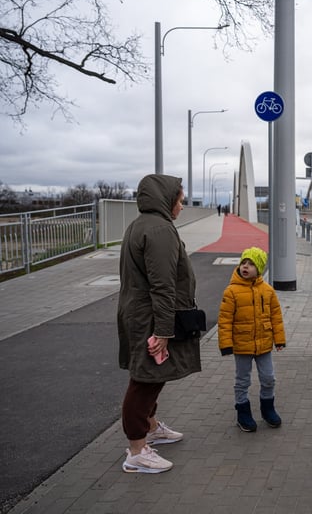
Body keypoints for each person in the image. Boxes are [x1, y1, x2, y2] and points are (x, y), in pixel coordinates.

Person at [117, 174, 201, 474]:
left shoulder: (141, 224)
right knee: (144, 380)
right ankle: (137, 451)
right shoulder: (160, 230)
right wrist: (164, 331)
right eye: (179, 200)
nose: (182, 206)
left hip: (140, 313)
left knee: (153, 375)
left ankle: (150, 427)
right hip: (150, 317)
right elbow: (163, 285)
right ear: (166, 200)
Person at [218, 247, 286, 432]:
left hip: (264, 343)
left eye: (251, 264)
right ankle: (243, 413)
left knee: (268, 378)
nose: (245, 267)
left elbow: (276, 316)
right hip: (242, 345)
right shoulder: (231, 291)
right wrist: (226, 344)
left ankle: (268, 409)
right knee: (242, 380)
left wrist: (279, 340)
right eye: (243, 263)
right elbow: (225, 320)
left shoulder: (268, 291)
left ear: (260, 268)